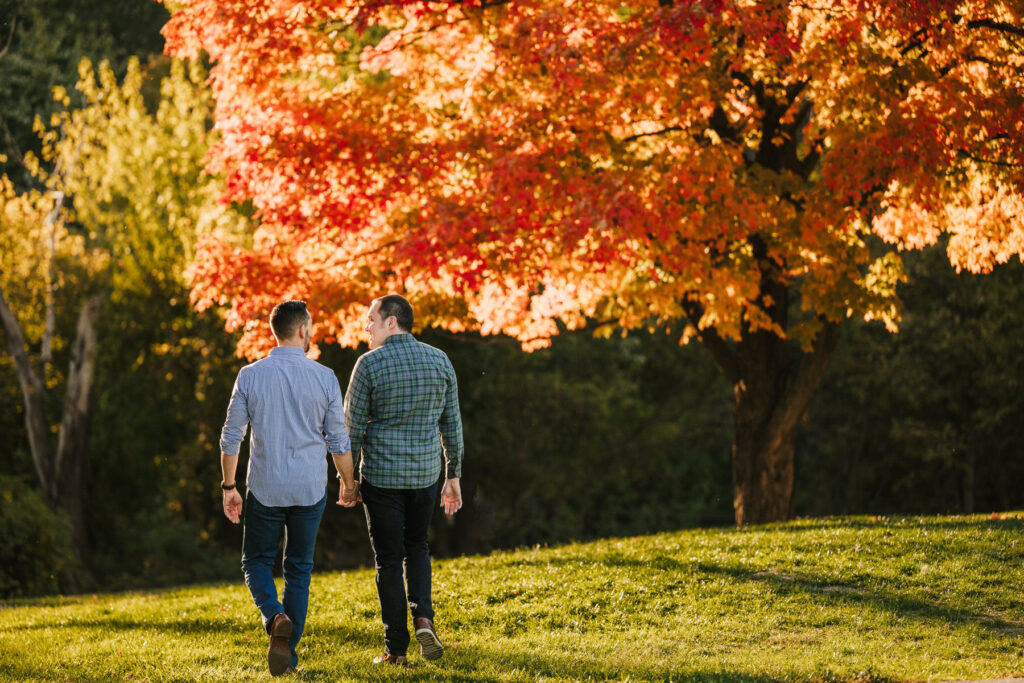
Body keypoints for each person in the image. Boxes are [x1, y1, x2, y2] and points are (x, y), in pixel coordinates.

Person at [219, 300, 360, 676]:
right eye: (310, 327)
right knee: (298, 569)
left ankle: (273, 616)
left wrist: (228, 486)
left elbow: (231, 436)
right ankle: (288, 654)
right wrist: (348, 483)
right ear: (302, 330)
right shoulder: (326, 376)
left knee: (255, 562)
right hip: (309, 490)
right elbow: (338, 441)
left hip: (265, 487)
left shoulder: (250, 375)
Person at [345, 294, 464, 666]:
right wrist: (453, 475)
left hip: (381, 478)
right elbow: (452, 425)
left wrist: (347, 481)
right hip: (425, 476)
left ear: (391, 322)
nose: (367, 327)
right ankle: (424, 618)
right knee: (418, 546)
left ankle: (396, 649)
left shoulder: (369, 365)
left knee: (388, 560)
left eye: (371, 320)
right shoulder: (440, 360)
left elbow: (349, 432)